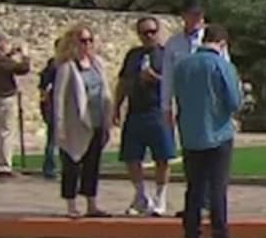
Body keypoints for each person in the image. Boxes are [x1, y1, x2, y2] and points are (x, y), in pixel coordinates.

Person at [173, 24, 243, 238]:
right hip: (218, 132)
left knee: (194, 188)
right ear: (222, 44)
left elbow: (177, 96)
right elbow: (234, 101)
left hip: (190, 133)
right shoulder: (221, 65)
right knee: (217, 188)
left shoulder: (183, 65)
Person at [163, 0, 224, 217]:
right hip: (187, 105)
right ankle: (195, 200)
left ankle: (207, 201)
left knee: (212, 152)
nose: (197, 19)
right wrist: (166, 106)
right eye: (193, 14)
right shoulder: (174, 44)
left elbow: (224, 70)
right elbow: (167, 77)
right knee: (191, 155)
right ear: (184, 16)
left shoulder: (212, 40)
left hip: (210, 104)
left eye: (200, 14)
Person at [52, 24, 115, 219]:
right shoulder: (67, 67)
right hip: (76, 123)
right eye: (82, 41)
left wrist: (109, 119)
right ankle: (71, 204)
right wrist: (59, 126)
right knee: (72, 164)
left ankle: (91, 203)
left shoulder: (97, 64)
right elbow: (59, 98)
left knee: (92, 164)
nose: (87, 45)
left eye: (90, 40)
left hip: (97, 120)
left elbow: (105, 91)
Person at [113, 16, 173, 216]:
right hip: (136, 110)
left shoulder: (166, 55)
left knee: (162, 156)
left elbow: (174, 83)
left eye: (152, 32)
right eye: (144, 33)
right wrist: (116, 107)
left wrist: (156, 78)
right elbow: (123, 82)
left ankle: (160, 197)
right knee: (132, 156)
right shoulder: (133, 56)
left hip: (157, 110)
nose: (148, 36)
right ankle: (140, 196)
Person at [0, 33, 31, 178]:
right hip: (4, 99)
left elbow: (5, 63)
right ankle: (4, 166)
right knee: (6, 132)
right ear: (2, 44)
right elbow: (22, 69)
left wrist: (11, 53)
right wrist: (25, 56)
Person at [38, 39, 61, 180]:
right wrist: (45, 104)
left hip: (66, 105)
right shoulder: (55, 65)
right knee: (53, 138)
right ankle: (49, 168)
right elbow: (44, 87)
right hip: (56, 105)